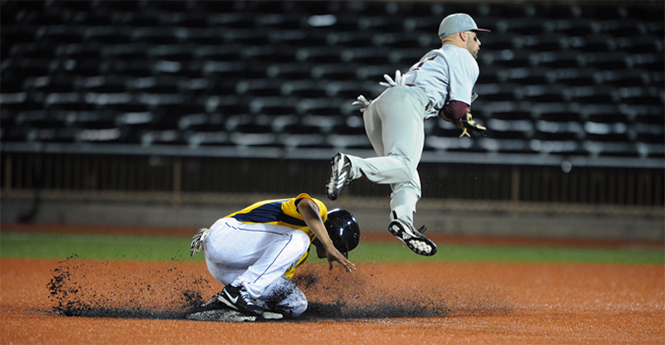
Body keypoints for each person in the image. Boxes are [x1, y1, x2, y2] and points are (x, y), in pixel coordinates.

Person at [325, 13, 490, 256]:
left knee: (406, 175)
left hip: (378, 107)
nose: (479, 43)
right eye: (475, 37)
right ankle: (351, 165)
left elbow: (445, 107)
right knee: (403, 166)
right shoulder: (464, 57)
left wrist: (456, 116)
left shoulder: (434, 55)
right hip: (406, 102)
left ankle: (403, 221)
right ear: (463, 35)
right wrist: (461, 118)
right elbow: (457, 109)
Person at [189, 193, 359, 318]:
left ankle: (224, 305)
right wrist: (328, 245)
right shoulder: (318, 213)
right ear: (333, 235)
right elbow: (305, 204)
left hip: (227, 268)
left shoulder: (298, 253)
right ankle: (238, 292)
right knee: (300, 238)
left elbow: (267, 279)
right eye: (338, 247)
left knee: (296, 304)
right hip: (226, 238)